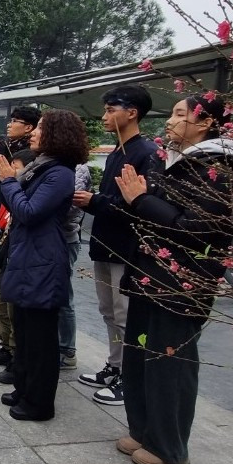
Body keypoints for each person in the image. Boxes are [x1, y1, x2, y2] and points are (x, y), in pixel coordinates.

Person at [113, 93, 233, 464]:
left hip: (182, 281)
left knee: (169, 364)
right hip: (149, 272)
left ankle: (169, 446)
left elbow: (197, 229)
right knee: (140, 356)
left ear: (205, 122)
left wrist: (141, 201)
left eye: (179, 114)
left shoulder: (217, 168)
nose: (170, 121)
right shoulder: (175, 161)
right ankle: (144, 430)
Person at [0, 109, 91, 421]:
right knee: (24, 329)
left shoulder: (60, 173)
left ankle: (40, 402)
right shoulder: (40, 167)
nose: (34, 133)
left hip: (43, 260)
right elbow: (13, 201)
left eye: (41, 129)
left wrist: (8, 180)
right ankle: (24, 388)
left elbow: (30, 211)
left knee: (40, 338)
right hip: (27, 256)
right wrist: (6, 181)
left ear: (56, 135)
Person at [73, 85, 160, 407]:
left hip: (127, 248)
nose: (104, 116)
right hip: (104, 242)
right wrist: (95, 202)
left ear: (132, 112)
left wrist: (95, 201)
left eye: (111, 110)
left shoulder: (146, 153)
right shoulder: (116, 152)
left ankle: (130, 376)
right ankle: (115, 365)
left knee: (125, 315)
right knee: (108, 311)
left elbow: (140, 204)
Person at [0, 148, 34, 375]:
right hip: (4, 252)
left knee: (12, 310)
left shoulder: (28, 191)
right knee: (0, 305)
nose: (10, 170)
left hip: (16, 255)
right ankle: (5, 347)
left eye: (16, 166)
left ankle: (15, 354)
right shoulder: (10, 188)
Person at [59, 163, 94, 369]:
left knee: (63, 295)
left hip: (65, 237)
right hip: (46, 237)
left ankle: (67, 349)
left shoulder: (78, 169)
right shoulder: (45, 162)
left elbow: (70, 207)